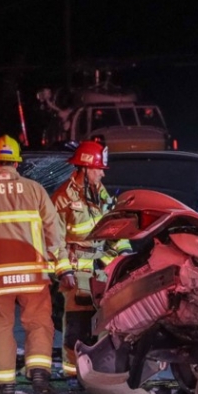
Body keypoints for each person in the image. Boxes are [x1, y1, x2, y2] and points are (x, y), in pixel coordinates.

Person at [0, 135, 71, 394]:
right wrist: (62, 267)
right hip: (34, 276)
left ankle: (5, 385)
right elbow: (53, 231)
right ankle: (39, 377)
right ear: (17, 163)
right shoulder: (35, 190)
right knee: (38, 325)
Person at [51, 139, 130, 381]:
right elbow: (54, 239)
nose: (101, 175)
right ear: (84, 169)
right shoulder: (63, 198)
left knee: (104, 323)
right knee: (77, 324)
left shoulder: (101, 194)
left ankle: (97, 371)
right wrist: (64, 271)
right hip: (77, 272)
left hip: (102, 269)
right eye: (97, 170)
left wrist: (124, 255)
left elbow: (117, 228)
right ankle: (75, 374)